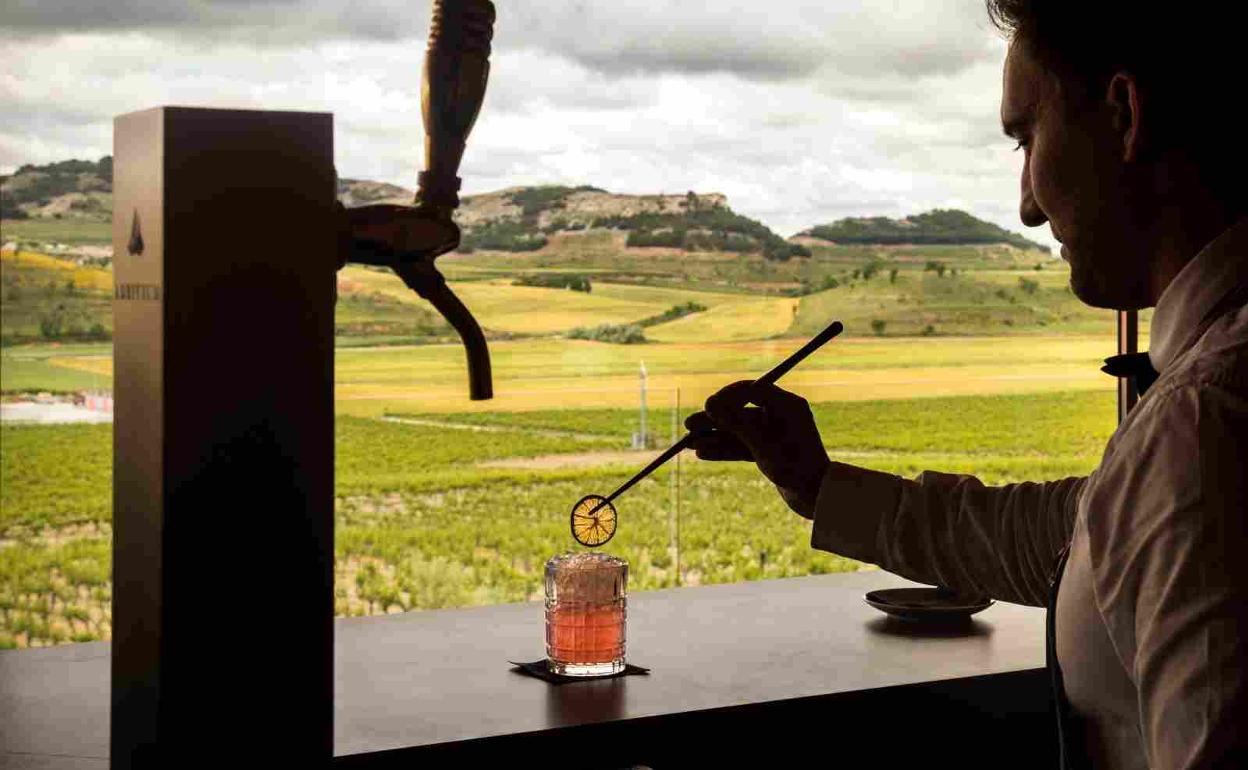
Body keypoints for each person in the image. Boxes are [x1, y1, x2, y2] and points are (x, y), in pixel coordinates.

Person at [686, 3, 1247, 769]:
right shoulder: (1203, 401)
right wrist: (820, 487)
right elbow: (1074, 537)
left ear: (1122, 116)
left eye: (1027, 138)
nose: (1024, 202)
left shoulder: (1203, 424)